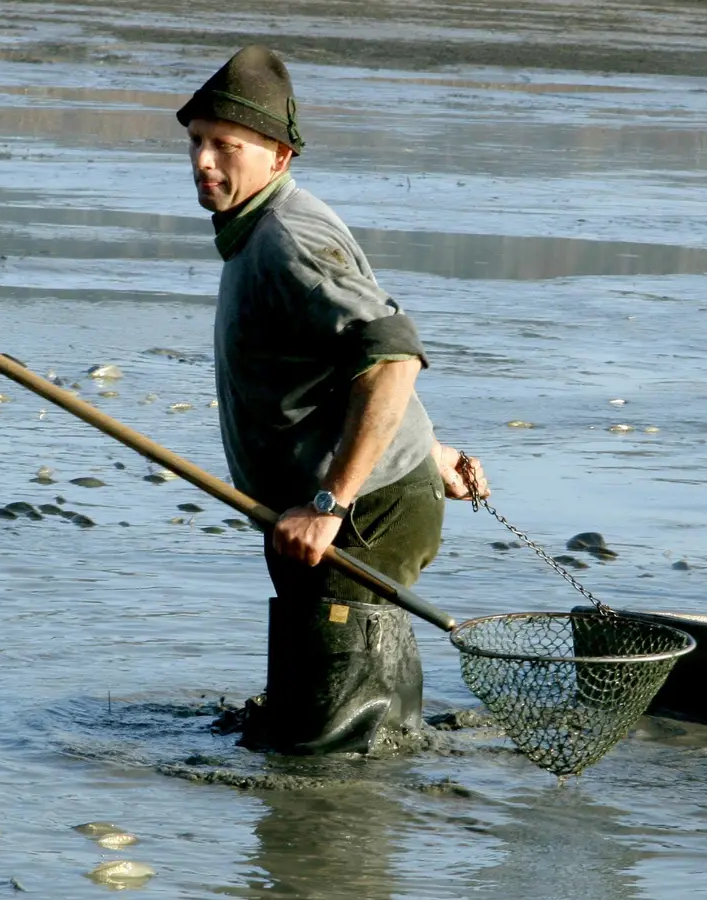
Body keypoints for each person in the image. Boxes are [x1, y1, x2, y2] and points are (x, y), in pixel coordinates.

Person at [176, 45, 488, 755]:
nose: (204, 162)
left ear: (279, 156)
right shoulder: (256, 229)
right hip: (338, 507)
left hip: (363, 514)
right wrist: (428, 448)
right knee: (337, 717)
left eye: (227, 146)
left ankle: (346, 850)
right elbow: (342, 360)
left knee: (334, 749)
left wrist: (329, 505)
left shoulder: (290, 237)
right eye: (196, 142)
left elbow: (392, 358)